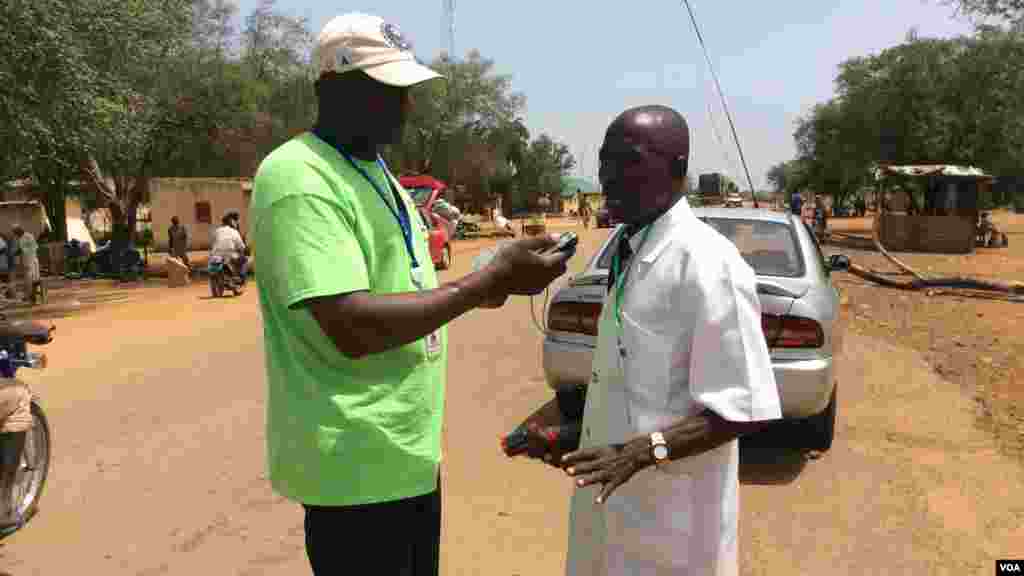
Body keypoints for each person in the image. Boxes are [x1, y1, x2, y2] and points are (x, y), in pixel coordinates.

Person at [248, 13, 570, 576]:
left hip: (402, 454)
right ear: (334, 87)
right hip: (352, 464)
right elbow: (350, 324)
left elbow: (413, 289)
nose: (405, 105)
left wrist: (497, 276)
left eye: (406, 89)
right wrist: (482, 285)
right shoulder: (299, 177)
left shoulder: (375, 170)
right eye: (388, 89)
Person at [519, 105, 781, 575]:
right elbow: (639, 380)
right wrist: (565, 426)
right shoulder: (626, 250)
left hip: (674, 526)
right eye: (604, 161)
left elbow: (746, 407)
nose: (609, 176)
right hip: (611, 511)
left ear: (677, 168)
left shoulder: (707, 264)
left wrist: (642, 452)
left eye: (629, 161)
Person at [209, 213, 248, 283]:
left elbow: (212, 242)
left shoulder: (217, 231)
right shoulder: (234, 231)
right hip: (229, 254)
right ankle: (241, 277)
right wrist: (244, 249)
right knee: (244, 260)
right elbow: (241, 246)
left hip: (215, 255)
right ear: (232, 222)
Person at [11, 226, 39, 305]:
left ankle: (32, 298)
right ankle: (28, 297)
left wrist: (15, 253)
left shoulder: (28, 236)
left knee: (32, 280)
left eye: (15, 233)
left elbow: (32, 248)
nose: (15, 235)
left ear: (19, 231)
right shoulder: (20, 238)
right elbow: (21, 249)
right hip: (26, 262)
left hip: (32, 260)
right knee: (27, 281)